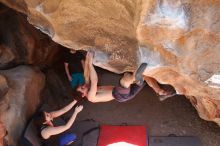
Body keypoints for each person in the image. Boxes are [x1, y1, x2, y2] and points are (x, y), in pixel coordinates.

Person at [76, 52, 175, 103]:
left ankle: (160, 92)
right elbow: (94, 81)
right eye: (82, 88)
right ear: (83, 95)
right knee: (124, 81)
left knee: (145, 76)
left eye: (81, 85)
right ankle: (135, 77)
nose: (83, 85)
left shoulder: (86, 87)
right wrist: (90, 63)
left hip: (124, 94)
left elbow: (86, 75)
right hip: (120, 95)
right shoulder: (90, 96)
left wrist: (87, 59)